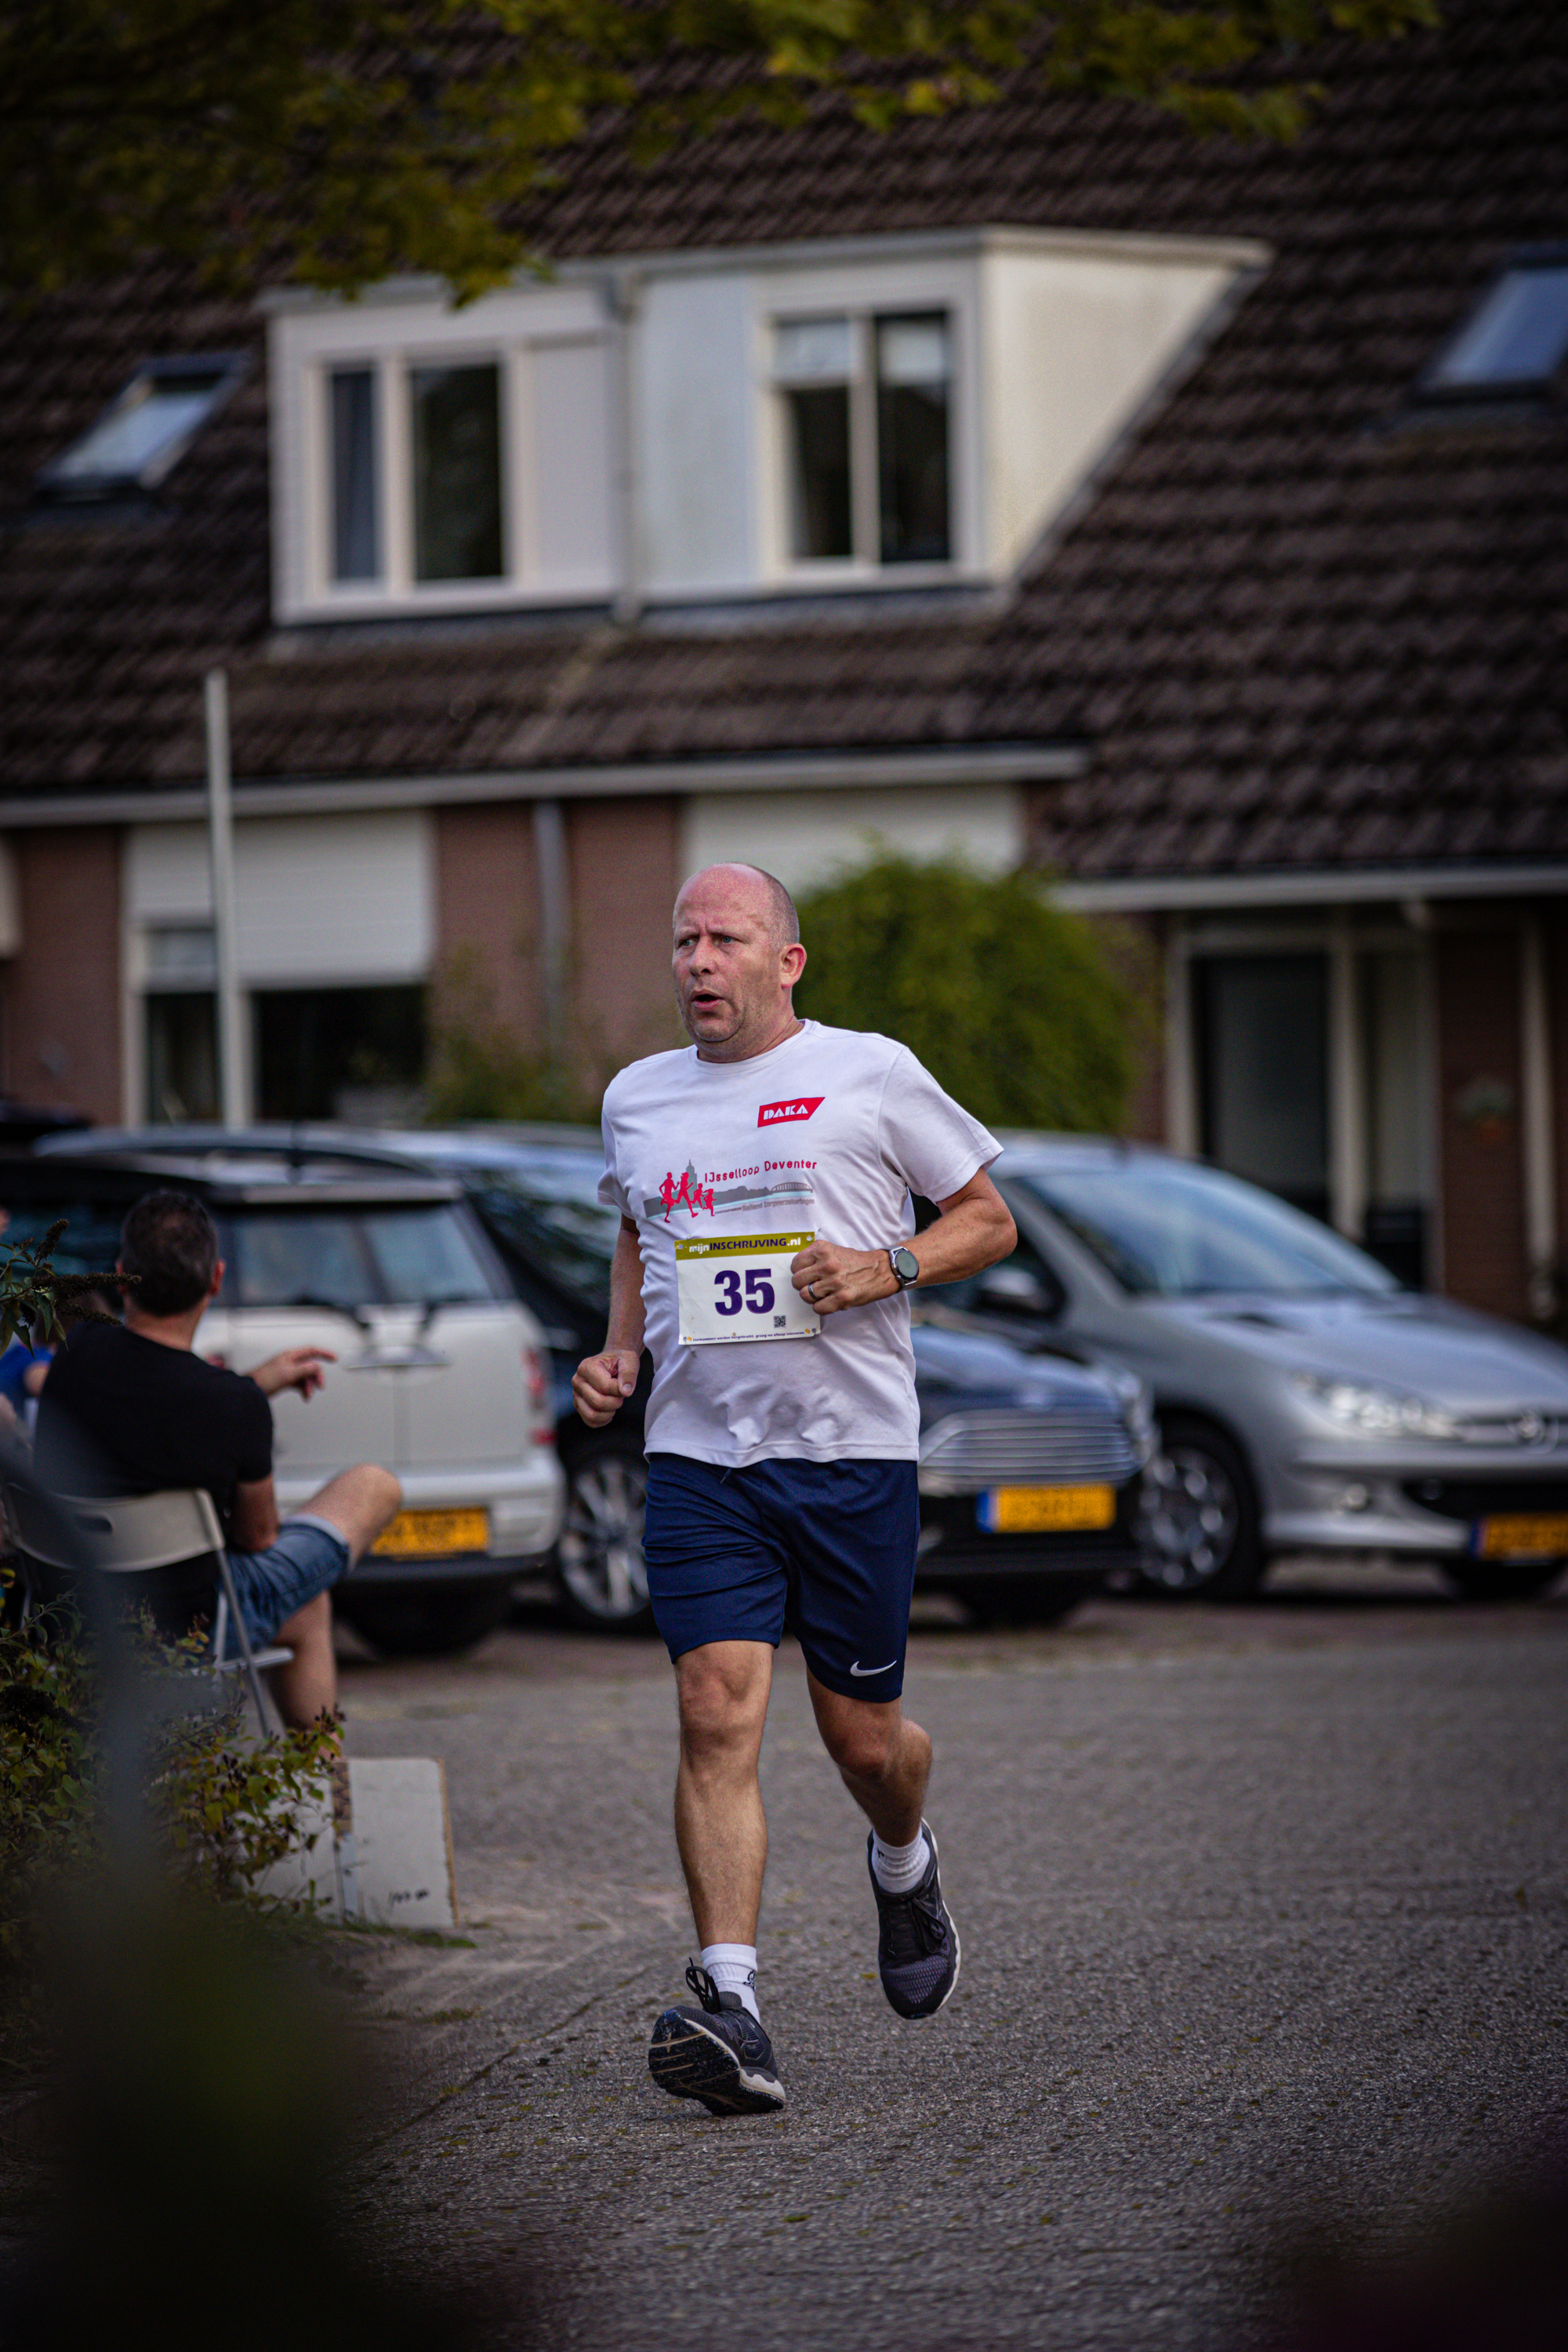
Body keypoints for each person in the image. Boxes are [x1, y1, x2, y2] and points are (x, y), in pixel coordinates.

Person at [574, 862, 1016, 2116]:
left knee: (861, 1741)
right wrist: (621, 1351)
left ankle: (904, 1857)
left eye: (725, 939)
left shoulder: (871, 1070)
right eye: (684, 940)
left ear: (788, 962)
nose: (698, 962)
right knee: (716, 1712)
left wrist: (888, 1265)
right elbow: (635, 1227)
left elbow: (988, 1219)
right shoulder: (636, 1098)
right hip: (702, 1463)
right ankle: (733, 2006)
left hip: (850, 1457)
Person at [34, 1189, 401, 1730]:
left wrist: (256, 1383)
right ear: (216, 1279)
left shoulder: (76, 1349)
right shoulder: (231, 1404)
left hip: (73, 1613)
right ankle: (325, 1790)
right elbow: (258, 1539)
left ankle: (322, 1783)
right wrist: (248, 1396)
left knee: (307, 1610)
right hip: (190, 1628)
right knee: (375, 1485)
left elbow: (151, 1407)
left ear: (120, 1274)